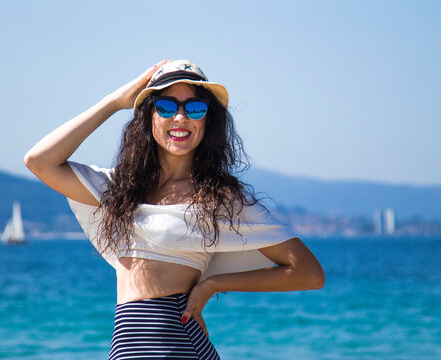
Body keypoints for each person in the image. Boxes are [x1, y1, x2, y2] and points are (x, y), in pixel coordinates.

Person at [24, 59, 325, 360]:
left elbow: (309, 273)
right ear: (148, 117)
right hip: (126, 350)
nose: (180, 118)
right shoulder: (118, 189)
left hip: (179, 346)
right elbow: (40, 161)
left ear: (208, 121)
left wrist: (213, 285)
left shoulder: (219, 200)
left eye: (194, 109)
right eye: (166, 107)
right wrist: (114, 102)